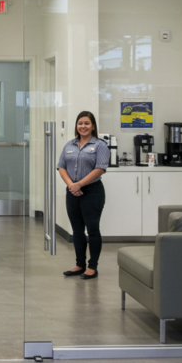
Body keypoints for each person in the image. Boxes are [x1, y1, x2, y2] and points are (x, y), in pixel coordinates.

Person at [57, 111, 109, 280]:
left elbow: (100, 168)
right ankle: (80, 264)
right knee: (77, 230)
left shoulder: (100, 145)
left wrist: (80, 184)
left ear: (93, 126)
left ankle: (92, 266)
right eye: (80, 123)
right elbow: (61, 166)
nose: (83, 126)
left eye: (87, 123)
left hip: (92, 191)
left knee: (93, 229)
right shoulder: (70, 145)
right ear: (76, 126)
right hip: (72, 192)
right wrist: (72, 185)